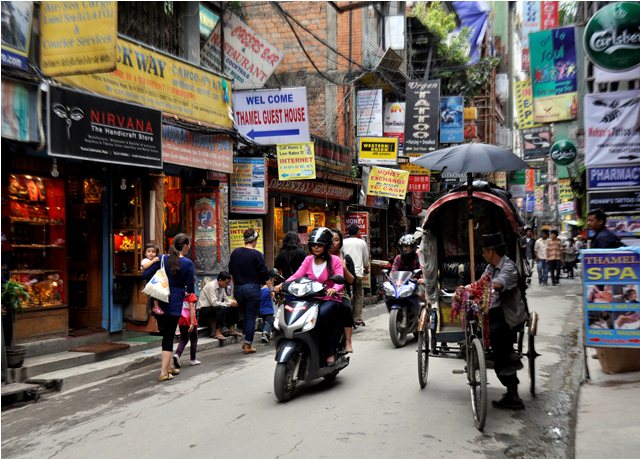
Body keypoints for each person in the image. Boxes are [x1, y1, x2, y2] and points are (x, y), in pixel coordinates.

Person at [275, 227, 344, 365]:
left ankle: (329, 351)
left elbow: (340, 279)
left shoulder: (335, 260)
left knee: (321, 316)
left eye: (320, 245)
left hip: (329, 299)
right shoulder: (308, 260)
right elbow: (297, 275)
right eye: (313, 245)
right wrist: (282, 285)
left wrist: (334, 289)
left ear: (326, 246)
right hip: (309, 298)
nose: (316, 247)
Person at [480, 233, 527, 410]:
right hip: (493, 313)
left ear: (491, 252)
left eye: (484, 251)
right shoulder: (489, 268)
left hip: (509, 316)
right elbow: (481, 282)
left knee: (501, 346)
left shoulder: (509, 267)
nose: (483, 254)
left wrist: (485, 286)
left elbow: (499, 284)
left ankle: (513, 395)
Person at [142, 233, 194, 382]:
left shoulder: (163, 258)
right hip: (174, 304)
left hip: (159, 303)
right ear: (185, 246)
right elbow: (190, 288)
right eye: (188, 245)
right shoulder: (188, 264)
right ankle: (164, 372)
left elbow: (144, 275)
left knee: (167, 335)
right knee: (169, 337)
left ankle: (169, 366)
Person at [228, 228, 271, 354]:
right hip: (252, 288)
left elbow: (231, 271)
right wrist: (272, 289)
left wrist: (233, 290)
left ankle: (245, 340)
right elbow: (264, 274)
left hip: (238, 289)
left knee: (244, 315)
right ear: (254, 240)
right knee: (251, 316)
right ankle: (247, 344)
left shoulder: (235, 252)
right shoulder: (257, 254)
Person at [330, 229, 356, 354]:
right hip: (320, 293)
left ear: (340, 242)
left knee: (346, 308)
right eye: (330, 240)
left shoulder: (345, 257)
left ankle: (348, 341)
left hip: (340, 293)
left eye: (336, 240)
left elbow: (351, 280)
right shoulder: (320, 257)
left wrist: (344, 268)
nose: (333, 242)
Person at [197, 271, 242, 340]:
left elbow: (226, 299)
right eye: (226, 283)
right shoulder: (211, 286)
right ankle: (217, 332)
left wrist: (233, 302)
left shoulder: (222, 287)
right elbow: (214, 303)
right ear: (220, 280)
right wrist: (229, 304)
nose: (227, 285)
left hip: (214, 308)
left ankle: (231, 329)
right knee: (221, 308)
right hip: (204, 311)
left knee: (233, 307)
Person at [342, 224, 369, 327]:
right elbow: (365, 259)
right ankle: (357, 317)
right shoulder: (362, 242)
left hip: (346, 272)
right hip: (357, 272)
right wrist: (366, 268)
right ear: (358, 232)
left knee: (346, 294)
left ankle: (347, 314)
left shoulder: (343, 242)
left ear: (348, 232)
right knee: (358, 294)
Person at [173, 292, 200, 368]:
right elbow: (191, 309)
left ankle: (177, 354)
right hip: (190, 320)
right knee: (194, 339)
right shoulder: (191, 295)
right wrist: (192, 323)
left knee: (184, 339)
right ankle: (193, 359)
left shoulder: (179, 294)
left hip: (181, 320)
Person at [140, 241, 164, 316]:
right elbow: (145, 266)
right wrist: (153, 261)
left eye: (153, 252)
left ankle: (155, 307)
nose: (151, 253)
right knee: (154, 295)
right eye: (149, 251)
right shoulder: (145, 260)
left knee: (155, 295)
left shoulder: (154, 261)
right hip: (150, 282)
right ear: (145, 254)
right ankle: (155, 307)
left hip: (155, 281)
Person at [258, 279, 275, 344]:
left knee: (265, 322)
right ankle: (265, 333)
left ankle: (268, 335)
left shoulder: (259, 291)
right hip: (268, 310)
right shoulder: (269, 290)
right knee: (268, 322)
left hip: (261, 310)